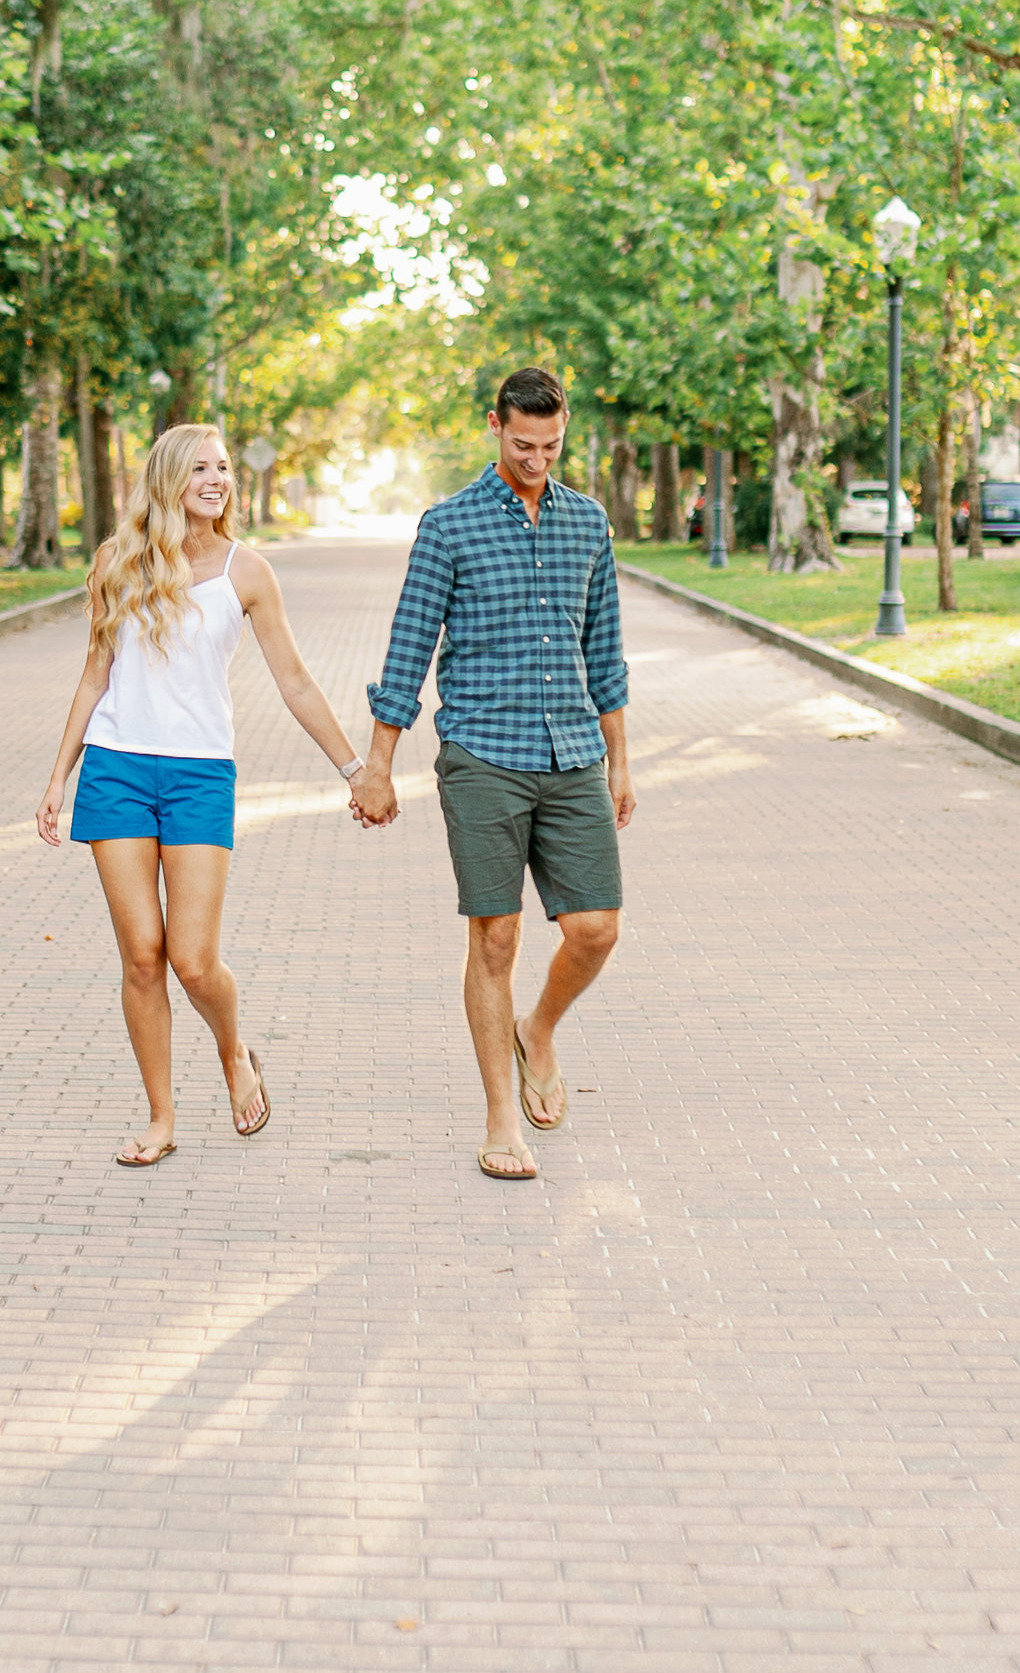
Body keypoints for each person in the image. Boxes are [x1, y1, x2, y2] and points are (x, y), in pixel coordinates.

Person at [37, 422, 371, 1165]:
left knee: (192, 957)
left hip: (198, 774)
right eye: (200, 468)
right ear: (167, 480)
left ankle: (232, 1050)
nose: (217, 479)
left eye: (223, 467)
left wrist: (356, 769)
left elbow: (295, 680)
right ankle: (161, 1116)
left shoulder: (247, 571)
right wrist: (59, 776)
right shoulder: (116, 563)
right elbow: (95, 675)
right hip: (117, 768)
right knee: (141, 955)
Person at [351, 366, 633, 1181]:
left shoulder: (587, 522)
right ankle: (501, 1115)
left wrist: (620, 759)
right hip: (482, 753)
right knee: (496, 935)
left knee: (596, 928)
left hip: (572, 749)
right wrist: (378, 764)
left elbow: (604, 651)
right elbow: (408, 649)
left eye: (551, 444)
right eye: (522, 443)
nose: (537, 457)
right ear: (493, 426)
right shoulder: (450, 525)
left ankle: (537, 1029)